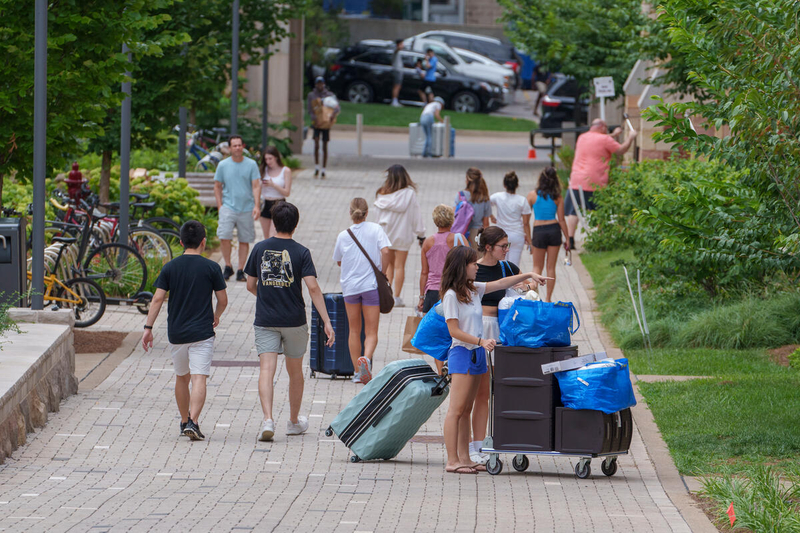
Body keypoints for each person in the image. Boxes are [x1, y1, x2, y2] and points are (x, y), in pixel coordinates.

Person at [440, 245, 548, 474]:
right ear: (462, 267)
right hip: (462, 352)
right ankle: (452, 461)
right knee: (456, 410)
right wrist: (480, 342)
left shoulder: (472, 289)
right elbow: (453, 331)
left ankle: (465, 457)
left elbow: (501, 284)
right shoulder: (450, 295)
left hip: (478, 353)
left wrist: (529, 275)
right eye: (472, 263)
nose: (476, 266)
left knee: (467, 409)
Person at [244, 202, 335, 442]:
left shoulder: (260, 248)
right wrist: (326, 321)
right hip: (294, 320)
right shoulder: (302, 252)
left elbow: (250, 285)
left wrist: (266, 297)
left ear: (273, 222)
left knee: (266, 370)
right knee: (295, 372)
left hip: (265, 319)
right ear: (295, 224)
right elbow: (313, 287)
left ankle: (268, 419)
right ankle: (294, 422)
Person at [141, 221, 228, 442]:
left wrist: (148, 328)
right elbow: (223, 300)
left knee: (182, 377)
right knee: (199, 377)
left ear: (180, 242)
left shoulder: (170, 267)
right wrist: (216, 315)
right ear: (203, 242)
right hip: (202, 333)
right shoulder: (211, 267)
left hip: (177, 333)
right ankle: (194, 421)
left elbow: (158, 298)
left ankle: (183, 421)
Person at [333, 198, 392, 384]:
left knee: (354, 330)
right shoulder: (376, 229)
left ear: (350, 213)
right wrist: (383, 271)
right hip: (370, 286)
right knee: (372, 331)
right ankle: (366, 358)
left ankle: (357, 372)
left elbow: (339, 260)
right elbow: (386, 251)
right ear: (367, 213)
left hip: (350, 287)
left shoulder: (343, 235)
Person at [566, 118, 636, 249]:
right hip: (595, 181)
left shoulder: (582, 137)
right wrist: (631, 138)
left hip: (577, 179)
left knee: (574, 211)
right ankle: (601, 239)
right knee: (599, 210)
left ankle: (570, 240)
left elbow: (598, 140)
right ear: (603, 127)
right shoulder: (605, 140)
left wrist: (614, 135)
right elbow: (620, 150)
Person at [417, 205, 467, 374]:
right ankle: (455, 367)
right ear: (452, 219)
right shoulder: (460, 240)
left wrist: (421, 296)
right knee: (456, 331)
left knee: (438, 336)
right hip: (455, 291)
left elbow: (424, 272)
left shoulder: (428, 242)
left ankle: (441, 373)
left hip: (432, 292)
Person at [373, 164, 426, 308]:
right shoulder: (409, 194)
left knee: (388, 265)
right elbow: (416, 215)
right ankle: (397, 297)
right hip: (403, 234)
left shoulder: (381, 194)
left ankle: (388, 295)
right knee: (399, 266)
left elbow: (377, 217)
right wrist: (421, 234)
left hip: (386, 234)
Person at [214, 135, 261, 282]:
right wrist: (219, 205)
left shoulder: (251, 164)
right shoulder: (223, 165)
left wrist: (257, 205)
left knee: (244, 239)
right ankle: (228, 266)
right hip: (228, 206)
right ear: (229, 148)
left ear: (243, 146)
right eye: (234, 145)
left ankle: (241, 269)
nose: (237, 148)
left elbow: (256, 185)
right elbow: (217, 185)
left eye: (240, 145)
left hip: (246, 207)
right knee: (224, 236)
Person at [527, 167, 570, 302]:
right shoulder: (557, 197)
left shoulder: (532, 195)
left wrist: (528, 239)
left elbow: (525, 219)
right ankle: (548, 298)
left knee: (536, 267)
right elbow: (562, 219)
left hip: (539, 231)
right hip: (554, 229)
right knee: (551, 267)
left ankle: (534, 296)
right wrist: (568, 238)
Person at [490, 171, 532, 266]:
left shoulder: (497, 197)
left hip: (501, 236)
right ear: (517, 185)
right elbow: (526, 223)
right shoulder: (522, 200)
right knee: (513, 266)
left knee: (501, 265)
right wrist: (530, 241)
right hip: (517, 236)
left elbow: (486, 204)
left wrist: (491, 216)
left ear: (504, 185)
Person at [307, 76, 338, 178]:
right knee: (316, 143)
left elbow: (336, 107)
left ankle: (323, 169)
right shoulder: (312, 95)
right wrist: (315, 119)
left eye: (321, 83)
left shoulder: (329, 95)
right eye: (318, 83)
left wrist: (332, 115)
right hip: (316, 123)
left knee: (325, 145)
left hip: (326, 123)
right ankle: (316, 167)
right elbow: (310, 109)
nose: (320, 85)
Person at [258, 146, 292, 239]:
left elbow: (287, 192)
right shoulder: (263, 170)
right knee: (266, 237)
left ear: (276, 157)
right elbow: (256, 188)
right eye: (266, 159)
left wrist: (274, 185)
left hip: (279, 203)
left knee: (273, 235)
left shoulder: (285, 171)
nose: (268, 162)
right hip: (265, 203)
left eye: (270, 159)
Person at [456, 167, 492, 248]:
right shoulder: (484, 197)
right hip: (478, 233)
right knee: (478, 259)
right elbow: (486, 223)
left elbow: (454, 217)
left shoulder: (460, 195)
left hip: (461, 233)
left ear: (467, 180)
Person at [391, 39, 405, 107]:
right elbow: (396, 50)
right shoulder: (396, 50)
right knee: (396, 86)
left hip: (399, 71)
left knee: (398, 86)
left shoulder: (399, 52)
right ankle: (394, 101)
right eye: (402, 44)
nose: (403, 45)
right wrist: (398, 47)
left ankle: (395, 100)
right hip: (397, 71)